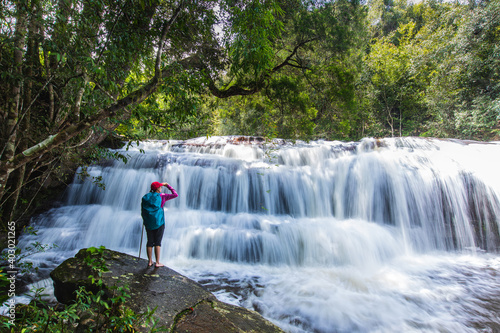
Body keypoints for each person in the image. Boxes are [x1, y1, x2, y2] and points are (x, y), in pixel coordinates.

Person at [141, 181, 178, 267]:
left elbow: (143, 210)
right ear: (158, 189)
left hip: (148, 222)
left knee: (149, 242)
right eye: (160, 187)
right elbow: (175, 194)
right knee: (157, 242)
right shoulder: (162, 196)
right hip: (159, 222)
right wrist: (168, 185)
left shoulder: (145, 197)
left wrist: (144, 219)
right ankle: (157, 262)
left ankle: (150, 261)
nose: (161, 188)